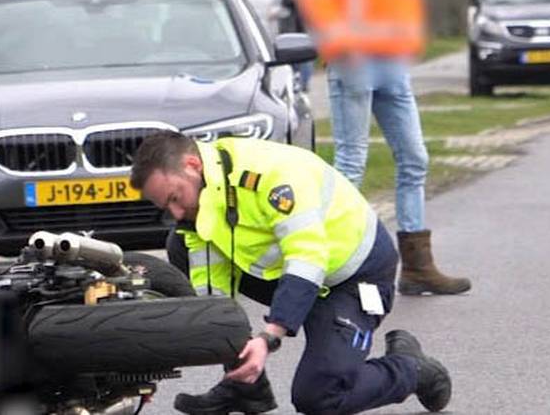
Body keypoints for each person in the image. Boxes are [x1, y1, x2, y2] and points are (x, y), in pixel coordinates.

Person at [132, 131, 453, 413]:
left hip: (353, 278)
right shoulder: (201, 198)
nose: (175, 211)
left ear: (192, 165)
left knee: (320, 397)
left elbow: (307, 258)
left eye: (175, 198)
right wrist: (223, 342)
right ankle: (246, 387)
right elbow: (213, 287)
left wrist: (270, 337)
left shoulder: (271, 174)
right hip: (293, 277)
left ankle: (413, 369)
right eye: (166, 207)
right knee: (179, 245)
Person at [295, 0, 472, 295]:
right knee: (352, 161)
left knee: (414, 157)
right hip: (353, 59)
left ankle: (417, 267)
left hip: (391, 61)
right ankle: (341, 261)